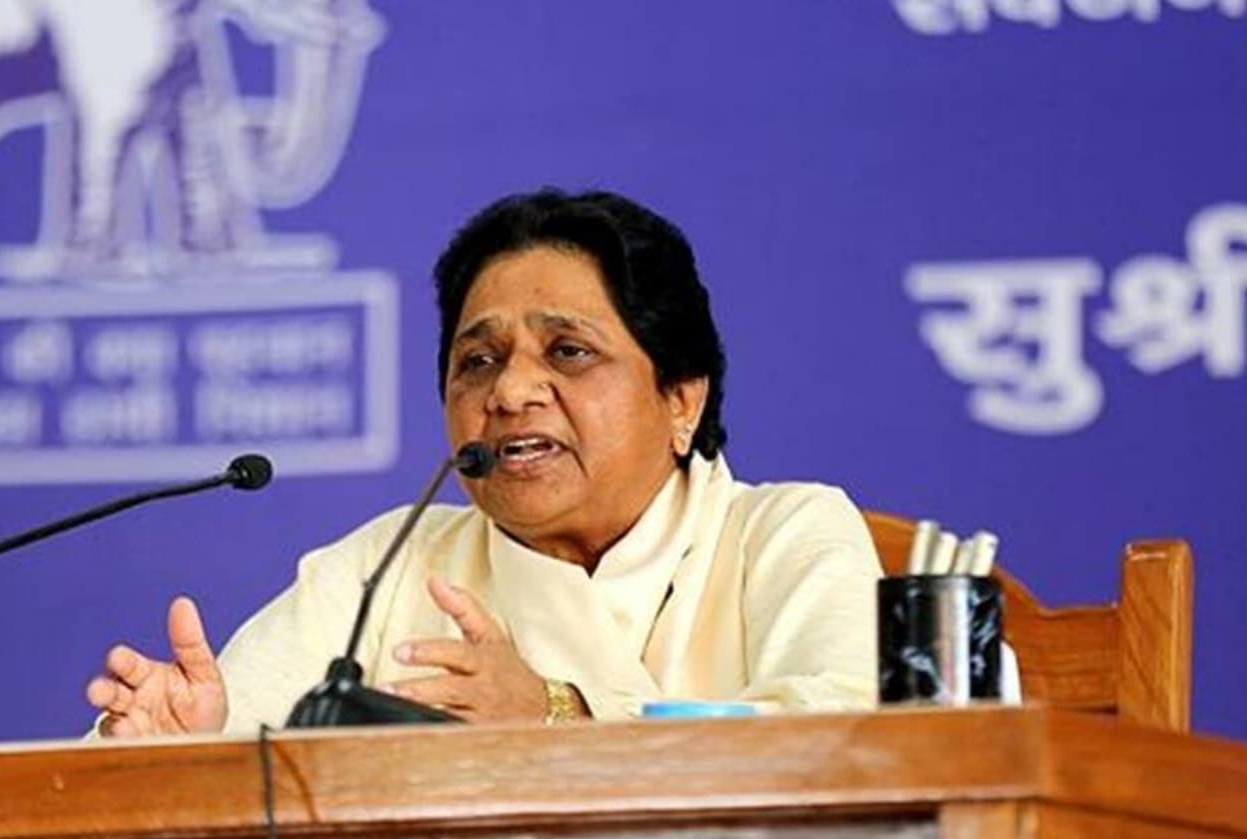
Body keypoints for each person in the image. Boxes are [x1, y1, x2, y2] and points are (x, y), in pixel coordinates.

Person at [86, 188, 881, 736]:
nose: (510, 391)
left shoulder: (783, 533)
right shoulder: (394, 563)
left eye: (568, 351)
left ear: (680, 398)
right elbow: (233, 737)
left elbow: (852, 738)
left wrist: (557, 716)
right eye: (479, 361)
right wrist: (179, 744)